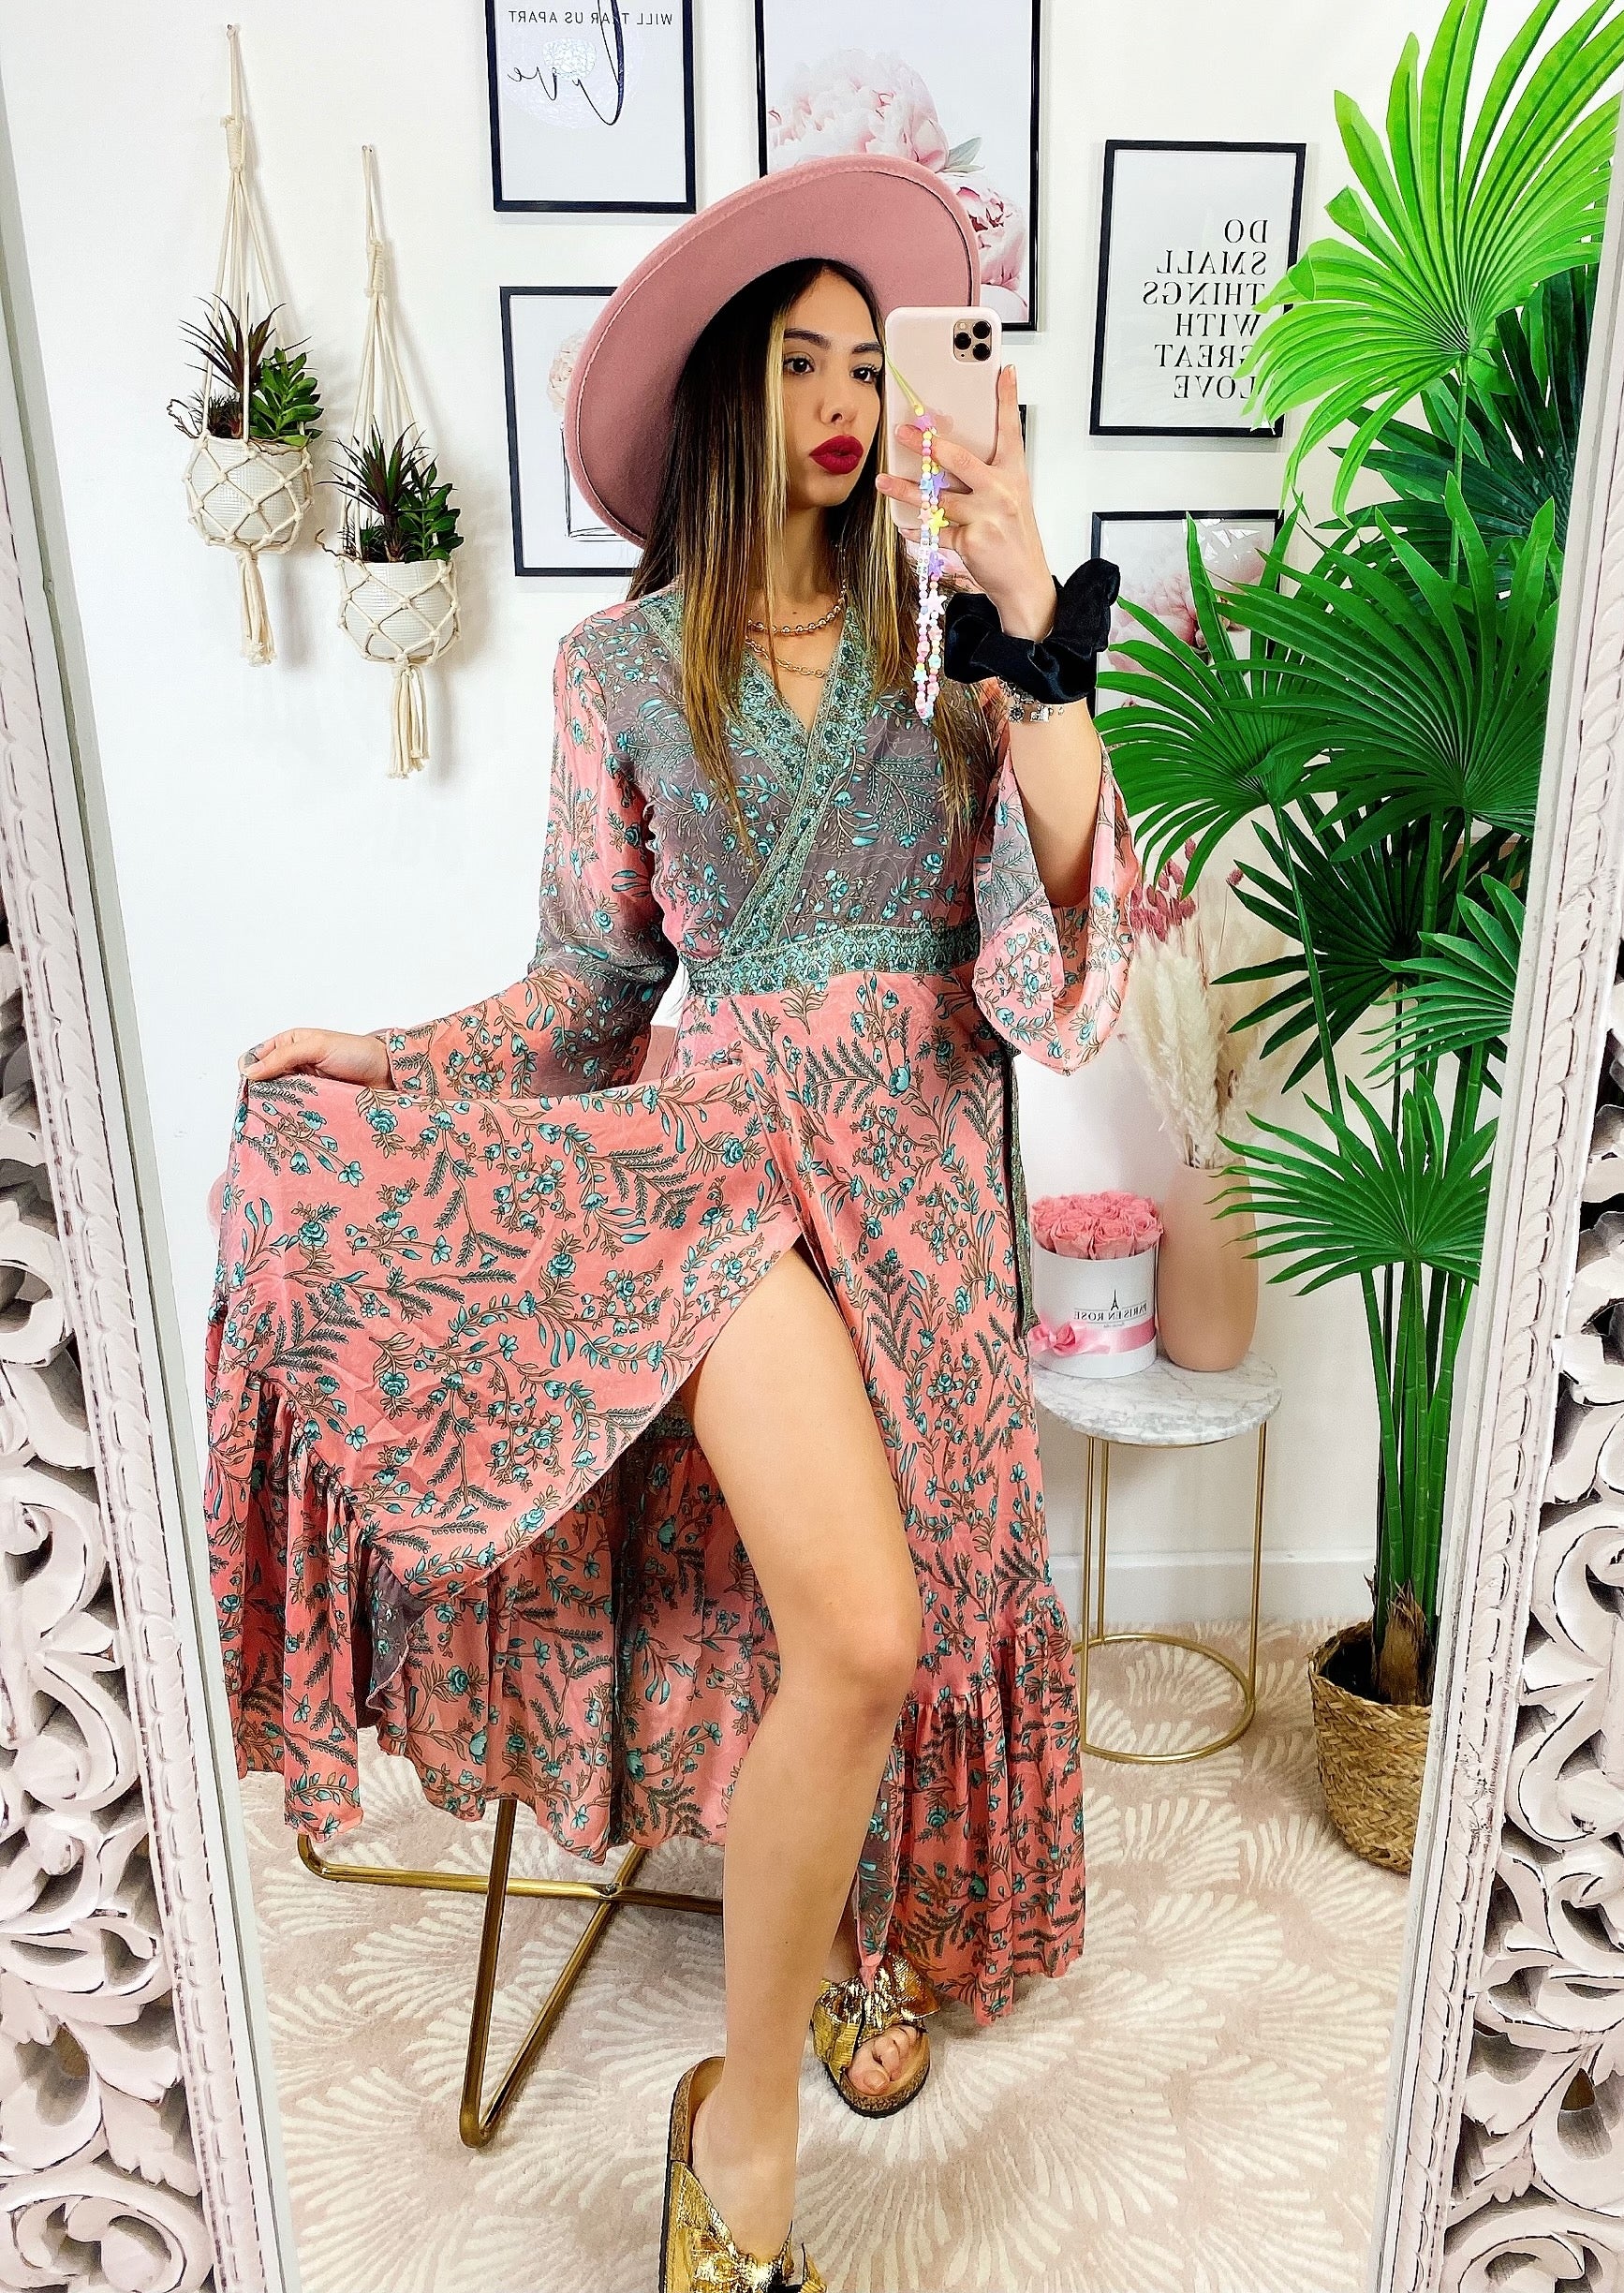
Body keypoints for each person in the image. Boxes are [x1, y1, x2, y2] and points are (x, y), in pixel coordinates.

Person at [204, 155, 1133, 2293]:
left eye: (865, 363)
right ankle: (745, 2127)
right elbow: (589, 989)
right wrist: (390, 1060)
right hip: (718, 1182)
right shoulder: (615, 670)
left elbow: (1064, 929)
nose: (843, 402)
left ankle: (857, 1936)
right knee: (861, 1628)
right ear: (726, 395)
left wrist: (1025, 611)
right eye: (798, 363)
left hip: (923, 1190)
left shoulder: (945, 644)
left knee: (905, 1612)